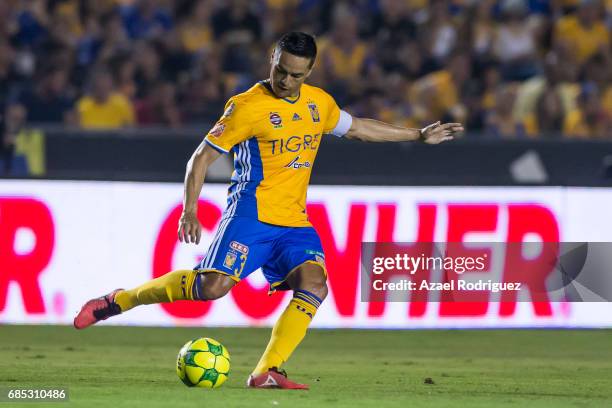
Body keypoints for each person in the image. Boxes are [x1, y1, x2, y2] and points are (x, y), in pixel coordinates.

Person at [73, 32, 463, 389]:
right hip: (251, 215)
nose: (286, 80)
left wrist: (416, 134)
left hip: (294, 222)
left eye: (295, 74)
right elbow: (202, 157)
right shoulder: (246, 107)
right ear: (271, 59)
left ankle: (267, 371)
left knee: (315, 284)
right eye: (280, 70)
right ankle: (117, 301)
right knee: (212, 288)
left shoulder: (319, 104)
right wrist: (189, 210)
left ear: (309, 71)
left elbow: (359, 127)